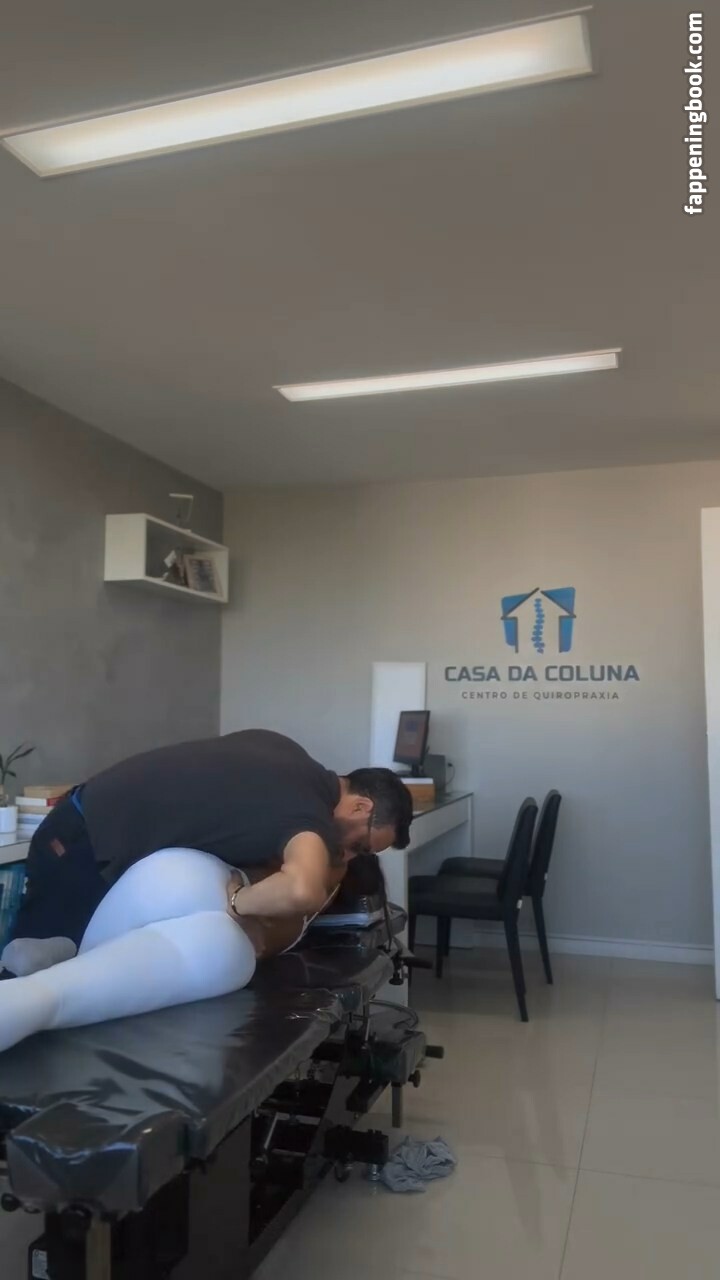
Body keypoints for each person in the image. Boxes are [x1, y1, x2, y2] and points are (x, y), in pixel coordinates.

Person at [4, 729, 413, 977]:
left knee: (62, 969)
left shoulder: (284, 750)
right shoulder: (308, 815)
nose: (348, 856)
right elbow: (303, 889)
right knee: (28, 976)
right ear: (360, 807)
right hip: (81, 845)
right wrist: (238, 902)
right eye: (359, 846)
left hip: (83, 825)